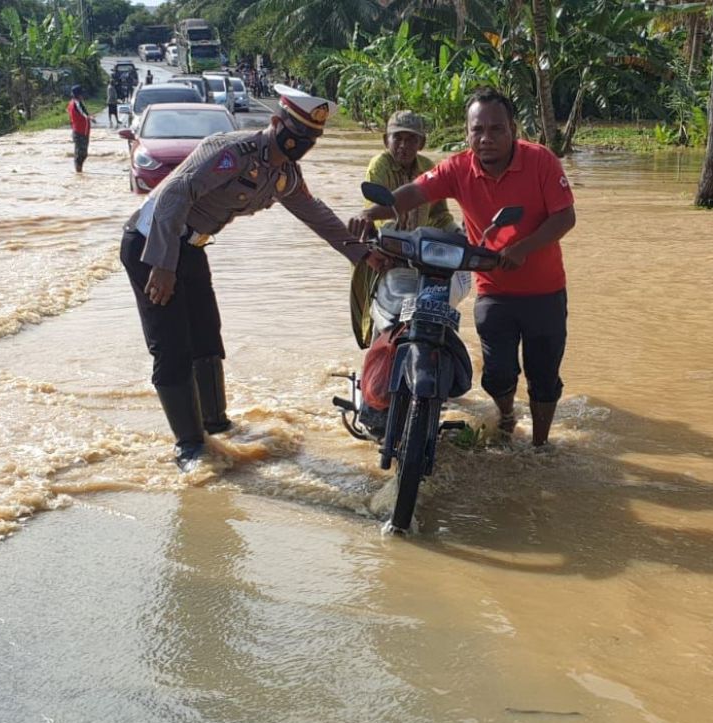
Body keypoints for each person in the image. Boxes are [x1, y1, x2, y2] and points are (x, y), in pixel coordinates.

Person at [119, 85, 383, 469]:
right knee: (171, 347)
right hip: (150, 245)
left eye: (311, 138)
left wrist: (363, 256)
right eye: (296, 132)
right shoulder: (230, 152)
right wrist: (162, 264)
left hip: (191, 248)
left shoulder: (284, 175)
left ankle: (215, 423)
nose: (301, 143)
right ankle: (190, 447)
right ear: (277, 122)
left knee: (207, 336)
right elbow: (175, 193)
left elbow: (316, 215)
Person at [349, 88, 576, 448]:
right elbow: (415, 192)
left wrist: (522, 248)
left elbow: (565, 217)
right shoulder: (458, 167)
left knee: (544, 376)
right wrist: (370, 213)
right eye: (477, 129)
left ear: (513, 129)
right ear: (467, 133)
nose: (486, 138)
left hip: (545, 291)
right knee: (499, 373)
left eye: (496, 129)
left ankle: (541, 447)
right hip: (493, 287)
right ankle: (506, 417)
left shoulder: (541, 161)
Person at [351, 110, 466, 435]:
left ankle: (436, 379)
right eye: (397, 137)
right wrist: (377, 241)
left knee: (438, 311)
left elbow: (440, 213)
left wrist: (459, 235)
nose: (403, 144)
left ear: (421, 142)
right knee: (384, 320)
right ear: (386, 140)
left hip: (423, 258)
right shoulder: (380, 166)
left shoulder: (429, 169)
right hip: (385, 254)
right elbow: (377, 214)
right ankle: (372, 400)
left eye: (410, 138)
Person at [67, 84, 91, 173]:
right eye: (81, 94)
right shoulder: (76, 103)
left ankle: (79, 171)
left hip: (82, 131)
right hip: (80, 132)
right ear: (78, 95)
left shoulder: (77, 103)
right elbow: (82, 113)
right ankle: (78, 172)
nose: (83, 95)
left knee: (82, 153)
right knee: (81, 154)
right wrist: (89, 117)